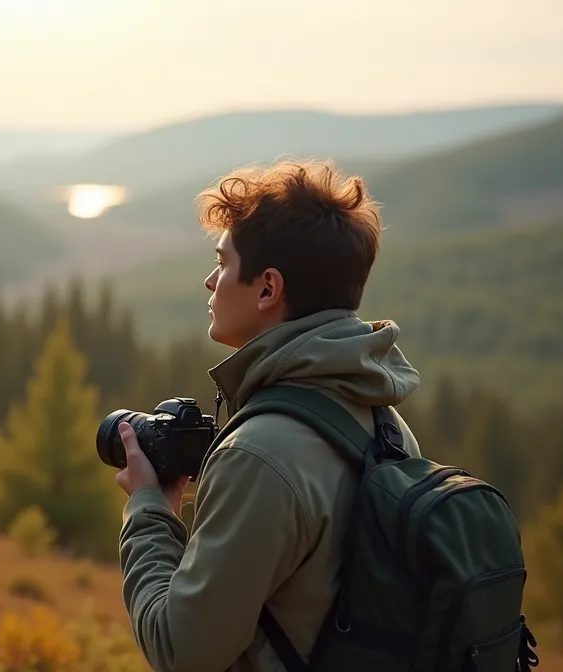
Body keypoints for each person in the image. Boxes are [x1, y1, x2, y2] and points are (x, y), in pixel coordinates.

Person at [114, 160, 423, 671]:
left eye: (222, 263)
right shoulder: (384, 422)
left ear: (267, 288)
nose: (210, 281)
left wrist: (150, 509)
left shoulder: (260, 455)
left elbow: (182, 651)